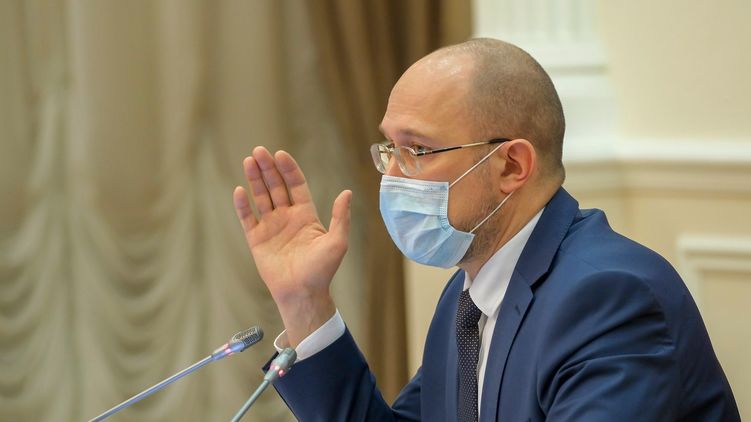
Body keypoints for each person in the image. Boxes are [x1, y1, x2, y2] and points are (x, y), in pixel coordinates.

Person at [232, 38, 740, 421]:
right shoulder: (470, 295)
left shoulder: (608, 298)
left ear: (511, 166)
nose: (393, 175)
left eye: (418, 150)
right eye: (390, 149)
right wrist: (305, 302)